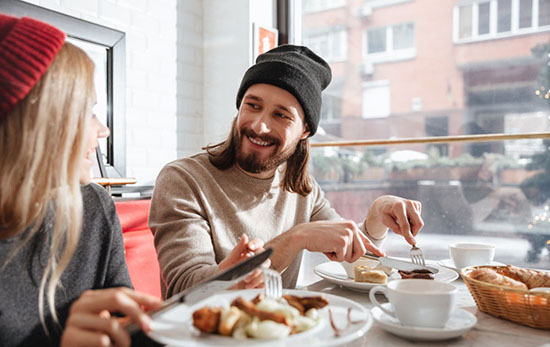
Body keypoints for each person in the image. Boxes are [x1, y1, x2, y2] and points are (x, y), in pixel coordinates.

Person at [149, 44, 424, 298]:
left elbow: (353, 253)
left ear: (305, 130)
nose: (259, 126)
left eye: (281, 115)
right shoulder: (183, 180)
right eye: (252, 105)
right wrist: (294, 239)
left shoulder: (303, 190)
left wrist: (377, 214)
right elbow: (185, 291)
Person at [0, 14, 162, 346]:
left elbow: (129, 328)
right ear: (39, 122)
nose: (103, 130)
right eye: (87, 111)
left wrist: (215, 298)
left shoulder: (95, 206)